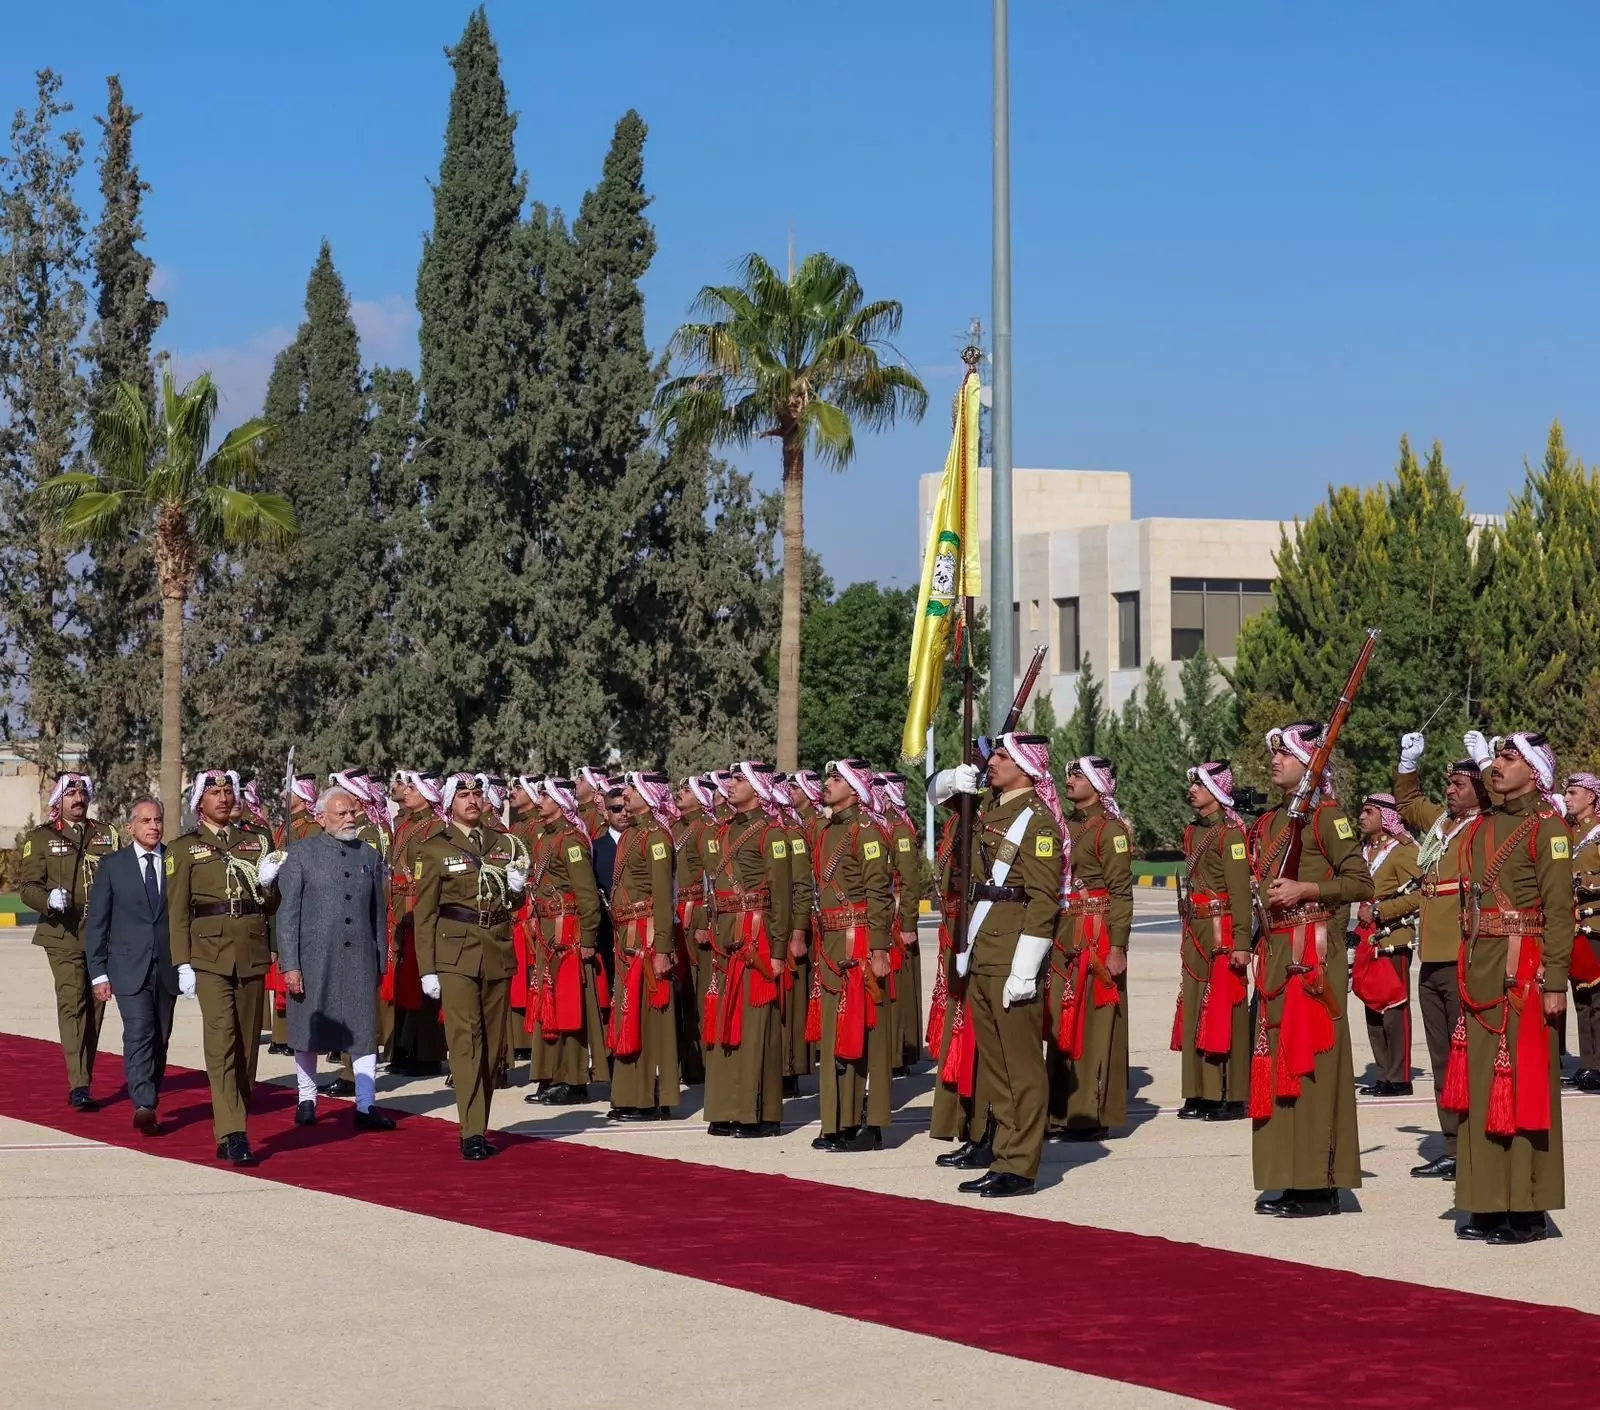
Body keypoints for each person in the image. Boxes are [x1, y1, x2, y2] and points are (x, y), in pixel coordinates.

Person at [1450, 730, 1572, 1244]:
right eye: (1496, 757)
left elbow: (1560, 909)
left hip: (1525, 972)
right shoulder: (1480, 827)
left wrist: (1557, 980)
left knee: (1524, 1087)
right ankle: (1485, 1201)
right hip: (1480, 967)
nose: (1497, 765)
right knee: (1482, 1087)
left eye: (1509, 757)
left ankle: (1526, 1208)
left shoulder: (1550, 829)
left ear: (1536, 771)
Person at [1248, 723, 1370, 1218]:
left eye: (1285, 754)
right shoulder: (1272, 821)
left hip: (1313, 954)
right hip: (1277, 953)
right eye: (1272, 753)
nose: (1274, 760)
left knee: (1313, 1066)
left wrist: (1308, 890)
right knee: (1277, 1064)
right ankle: (1289, 1175)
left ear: (1308, 762)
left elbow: (1359, 881)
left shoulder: (1327, 818)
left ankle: (1319, 1183)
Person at [935, 734, 1061, 1197]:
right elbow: (933, 795)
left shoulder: (1037, 822)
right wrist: (952, 779)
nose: (993, 763)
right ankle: (1003, 1154)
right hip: (982, 949)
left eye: (1003, 757)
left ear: (1026, 767)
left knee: (1021, 1066)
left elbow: (1044, 898)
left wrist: (1026, 967)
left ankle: (1021, 1164)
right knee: (995, 1065)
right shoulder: (988, 807)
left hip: (1012, 953)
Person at [168, 770, 285, 1166]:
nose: (223, 798)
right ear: (199, 801)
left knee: (247, 1047)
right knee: (222, 1042)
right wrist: (182, 962)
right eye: (214, 792)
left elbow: (271, 906)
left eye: (228, 791)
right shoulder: (184, 848)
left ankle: (233, 1119)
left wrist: (269, 882)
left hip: (250, 951)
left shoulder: (256, 842)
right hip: (209, 955)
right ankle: (234, 1131)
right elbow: (177, 912)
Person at [412, 773, 528, 1159]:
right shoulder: (432, 849)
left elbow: (513, 907)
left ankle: (479, 1121)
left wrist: (516, 888)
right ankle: (471, 1130)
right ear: (450, 803)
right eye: (464, 795)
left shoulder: (503, 844)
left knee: (493, 1047)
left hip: (496, 949)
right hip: (455, 954)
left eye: (477, 794)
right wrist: (427, 968)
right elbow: (424, 915)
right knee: (466, 1042)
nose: (473, 800)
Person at [1394, 732, 1487, 1178]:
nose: (1449, 789)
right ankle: (1452, 1144)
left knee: (1468, 1053)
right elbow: (1408, 802)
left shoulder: (1485, 824)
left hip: (1463, 953)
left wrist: (1487, 761)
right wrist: (1408, 761)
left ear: (1480, 788)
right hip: (1430, 953)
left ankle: (1476, 1142)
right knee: (1441, 1057)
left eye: (1459, 784)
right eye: (1448, 783)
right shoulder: (1441, 824)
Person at [276, 787, 396, 1132]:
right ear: (321, 818)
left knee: (363, 1030)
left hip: (359, 958)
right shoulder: (300, 854)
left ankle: (366, 1104)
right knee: (307, 1029)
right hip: (314, 958)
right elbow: (288, 915)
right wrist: (291, 964)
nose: (349, 819)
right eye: (340, 813)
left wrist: (380, 960)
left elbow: (378, 914)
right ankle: (306, 1099)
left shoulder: (369, 856)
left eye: (351, 813)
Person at [17, 772, 118, 1111]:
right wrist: (48, 900)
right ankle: (80, 1084)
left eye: (83, 793)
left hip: (101, 933)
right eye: (71, 794)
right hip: (63, 933)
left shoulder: (106, 834)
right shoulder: (42, 838)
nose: (79, 799)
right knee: (73, 1003)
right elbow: (28, 887)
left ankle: (84, 1075)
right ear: (58, 800)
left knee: (96, 1006)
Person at [809, 759, 895, 1152]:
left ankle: (868, 1123)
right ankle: (837, 1120)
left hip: (858, 941)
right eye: (828, 778)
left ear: (855, 786)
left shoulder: (868, 833)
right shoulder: (826, 830)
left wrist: (880, 949)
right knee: (835, 1034)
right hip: (830, 944)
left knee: (866, 1032)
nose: (826, 785)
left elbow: (880, 895)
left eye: (835, 779)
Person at [1048, 755, 1134, 1142]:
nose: (1070, 780)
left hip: (1096, 936)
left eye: (1078, 775)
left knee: (1093, 1026)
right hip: (1066, 933)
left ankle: (1089, 1113)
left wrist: (1117, 946)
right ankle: (1059, 1110)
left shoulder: (1110, 830)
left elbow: (1121, 893)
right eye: (1069, 774)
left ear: (1099, 783)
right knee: (1060, 1022)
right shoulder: (1067, 825)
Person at [703, 761, 791, 1137]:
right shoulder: (722, 831)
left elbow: (783, 897)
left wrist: (779, 948)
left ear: (757, 789)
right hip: (726, 936)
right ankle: (726, 1108)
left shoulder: (771, 834)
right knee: (725, 1023)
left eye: (740, 780)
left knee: (755, 1029)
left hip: (756, 938)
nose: (731, 785)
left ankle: (761, 1113)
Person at [84, 796, 175, 1136]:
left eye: (158, 820)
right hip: (126, 967)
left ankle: (150, 1093)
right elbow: (97, 923)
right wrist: (98, 972)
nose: (154, 826)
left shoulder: (174, 861)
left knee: (160, 1038)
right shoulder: (113, 866)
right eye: (146, 821)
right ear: (130, 826)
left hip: (165, 967)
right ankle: (144, 1104)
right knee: (139, 1032)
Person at [1173, 762, 1253, 1123]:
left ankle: (1232, 1095)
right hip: (1196, 932)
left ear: (1216, 791)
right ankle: (1200, 1091)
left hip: (1223, 934)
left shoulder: (1231, 835)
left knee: (1225, 1009)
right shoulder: (1192, 831)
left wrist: (1241, 942)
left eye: (1199, 786)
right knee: (1194, 1009)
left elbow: (1239, 893)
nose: (1192, 791)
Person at [525, 777, 608, 1105]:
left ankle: (573, 1080)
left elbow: (587, 895)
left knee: (569, 1005)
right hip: (547, 932)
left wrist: (588, 936)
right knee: (548, 1003)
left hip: (568, 933)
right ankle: (551, 1074)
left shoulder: (571, 841)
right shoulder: (545, 836)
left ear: (560, 800)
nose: (539, 801)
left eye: (545, 795)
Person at [606, 773, 680, 1120]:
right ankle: (629, 1094)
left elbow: (664, 898)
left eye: (632, 789)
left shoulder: (656, 838)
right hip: (627, 934)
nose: (626, 794)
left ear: (649, 794)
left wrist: (664, 948)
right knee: (627, 1012)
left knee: (650, 1019)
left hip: (648, 937)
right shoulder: (632, 834)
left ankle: (652, 1097)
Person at [1352, 793, 1421, 1096]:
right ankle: (1383, 1073)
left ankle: (1400, 1076)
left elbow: (1420, 895)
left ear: (1385, 816)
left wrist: (1380, 911)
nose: (1361, 817)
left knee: (1393, 1008)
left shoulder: (1404, 851)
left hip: (1393, 936)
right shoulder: (1363, 850)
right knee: (1372, 1004)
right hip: (1367, 936)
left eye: (1368, 812)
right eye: (1362, 811)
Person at [387, 771, 448, 1075]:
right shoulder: (404, 825)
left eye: (413, 788)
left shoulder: (436, 827)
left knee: (424, 978)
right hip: (401, 908)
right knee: (405, 981)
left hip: (421, 906)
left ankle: (427, 1053)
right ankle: (403, 1048)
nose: (406, 792)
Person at [267, 774, 325, 1055]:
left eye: (287, 792)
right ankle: (286, 1035)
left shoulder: (312, 829)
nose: (281, 797)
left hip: (304, 906)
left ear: (301, 797)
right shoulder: (282, 829)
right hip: (282, 903)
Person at [770, 774, 814, 1096]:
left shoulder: (792, 832)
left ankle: (789, 1070)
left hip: (785, 927)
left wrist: (797, 930)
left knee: (789, 1003)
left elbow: (801, 886)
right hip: (761, 927)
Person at [879, 771, 924, 1074]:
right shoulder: (880, 827)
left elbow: (909, 880)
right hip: (882, 916)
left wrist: (906, 921)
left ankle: (897, 1054)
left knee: (897, 990)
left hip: (895, 919)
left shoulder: (899, 830)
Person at [672, 776, 715, 1086]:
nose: (679, 794)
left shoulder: (705, 830)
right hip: (677, 915)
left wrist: (702, 920)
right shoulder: (676, 829)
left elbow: (712, 879)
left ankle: (701, 1062)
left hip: (694, 915)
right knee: (681, 993)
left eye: (686, 791)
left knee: (698, 993)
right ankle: (687, 1060)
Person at [1562, 771, 1600, 1092]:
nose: (1568, 798)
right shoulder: (1569, 834)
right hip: (1574, 926)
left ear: (1591, 797)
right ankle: (1588, 1064)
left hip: (1597, 924)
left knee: (1599, 999)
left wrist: (1588, 884)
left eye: (1574, 792)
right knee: (1582, 998)